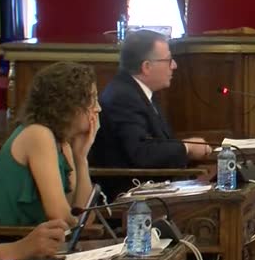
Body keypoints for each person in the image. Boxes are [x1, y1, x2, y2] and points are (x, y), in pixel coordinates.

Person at [90, 29, 212, 198]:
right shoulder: (123, 98)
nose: (174, 65)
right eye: (168, 60)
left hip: (155, 186)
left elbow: (155, 144)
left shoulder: (137, 92)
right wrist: (187, 148)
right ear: (146, 67)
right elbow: (141, 153)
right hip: (132, 196)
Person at [0, 61, 99, 226]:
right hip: (5, 236)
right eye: (92, 99)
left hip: (36, 238)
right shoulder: (38, 135)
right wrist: (78, 224)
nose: (98, 108)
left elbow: (84, 219)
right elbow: (60, 216)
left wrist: (81, 158)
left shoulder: (63, 145)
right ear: (69, 104)